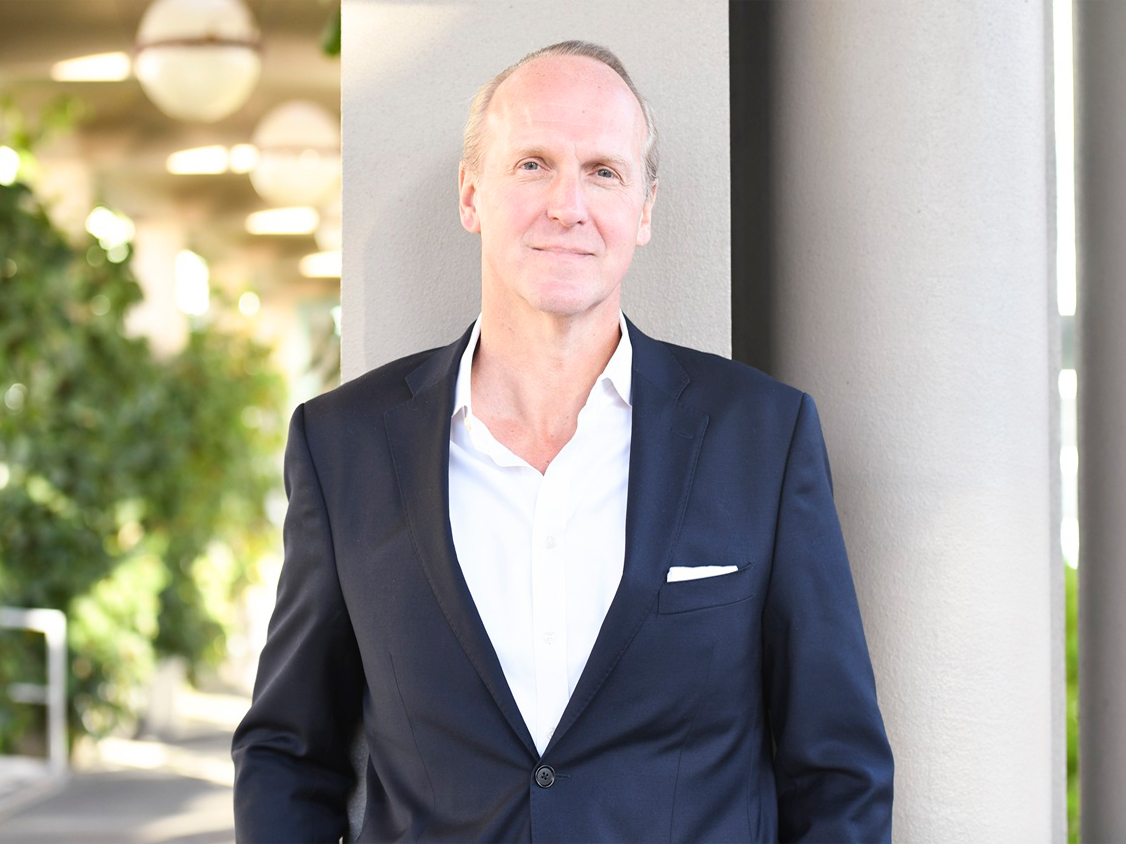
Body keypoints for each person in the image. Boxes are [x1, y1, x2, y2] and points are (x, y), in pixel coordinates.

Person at [232, 40, 893, 843]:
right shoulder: (345, 447)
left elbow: (838, 770)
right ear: (472, 194)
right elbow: (288, 754)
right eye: (533, 165)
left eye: (604, 172)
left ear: (644, 210)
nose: (567, 205)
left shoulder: (762, 437)